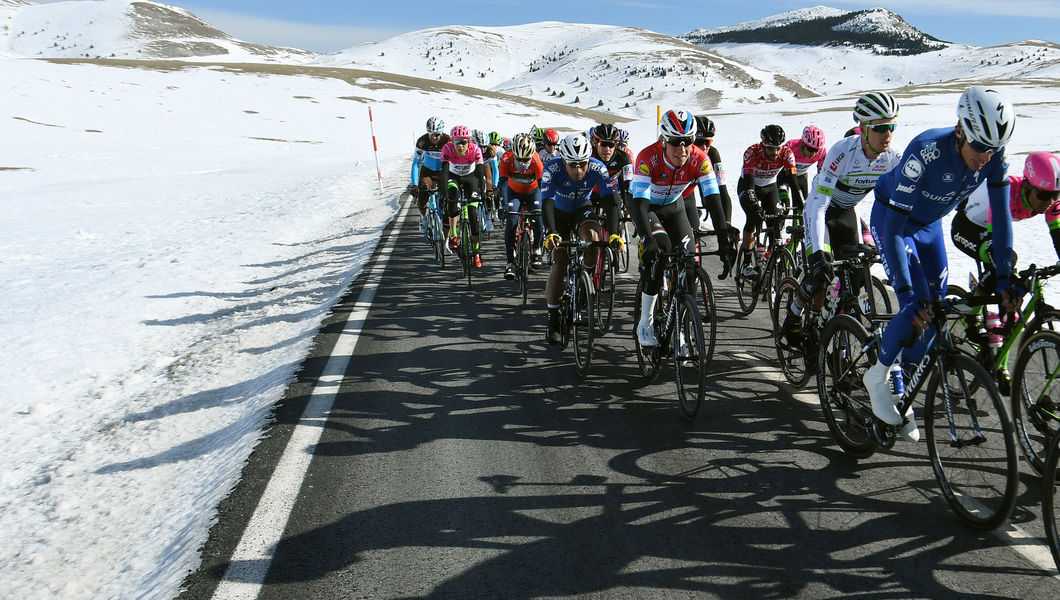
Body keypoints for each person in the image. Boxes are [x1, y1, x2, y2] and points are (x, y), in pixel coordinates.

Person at [863, 85, 1018, 442]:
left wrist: (1004, 276)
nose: (984, 157)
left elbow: (1003, 218)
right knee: (914, 302)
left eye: (991, 149)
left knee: (937, 308)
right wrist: (903, 291)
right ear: (961, 130)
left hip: (931, 225)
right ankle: (880, 374)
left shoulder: (994, 156)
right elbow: (894, 227)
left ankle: (908, 389)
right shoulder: (926, 151)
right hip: (893, 220)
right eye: (979, 147)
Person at [783, 92, 903, 342]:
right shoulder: (842, 153)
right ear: (864, 128)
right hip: (821, 211)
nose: (887, 134)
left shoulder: (892, 159)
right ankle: (795, 314)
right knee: (820, 272)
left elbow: (896, 206)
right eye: (880, 128)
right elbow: (818, 206)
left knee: (856, 277)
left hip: (847, 212)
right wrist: (818, 254)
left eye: (891, 126)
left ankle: (839, 329)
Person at [630, 109, 725, 346]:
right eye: (675, 142)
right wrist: (647, 238)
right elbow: (639, 204)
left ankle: (682, 327)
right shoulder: (647, 157)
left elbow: (714, 198)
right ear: (663, 139)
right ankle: (646, 322)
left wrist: (724, 236)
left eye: (688, 142)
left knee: (691, 263)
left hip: (675, 207)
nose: (682, 149)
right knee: (660, 251)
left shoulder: (700, 158)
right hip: (647, 208)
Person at [541, 133, 622, 346]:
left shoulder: (597, 168)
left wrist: (613, 233)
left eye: (582, 164)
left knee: (593, 239)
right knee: (560, 260)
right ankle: (553, 317)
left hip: (582, 210)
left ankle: (583, 280)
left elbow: (610, 201)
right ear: (563, 160)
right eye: (573, 165)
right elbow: (546, 202)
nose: (578, 170)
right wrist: (550, 231)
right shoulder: (552, 168)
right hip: (558, 214)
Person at [736, 124, 805, 277]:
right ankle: (747, 263)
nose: (775, 153)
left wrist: (801, 202)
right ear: (763, 144)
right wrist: (755, 206)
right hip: (749, 186)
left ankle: (770, 257)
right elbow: (749, 185)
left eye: (778, 148)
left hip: (769, 188)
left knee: (777, 221)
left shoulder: (787, 153)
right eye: (770, 148)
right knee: (753, 217)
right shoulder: (751, 153)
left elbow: (794, 182)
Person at [439, 125, 488, 268]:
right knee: (452, 196)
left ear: (469, 142)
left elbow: (480, 174)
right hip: (453, 177)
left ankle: (477, 253)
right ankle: (454, 235)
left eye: (463, 142)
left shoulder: (475, 150)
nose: (460, 146)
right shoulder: (447, 149)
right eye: (457, 142)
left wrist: (483, 193)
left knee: (473, 216)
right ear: (452, 142)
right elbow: (445, 172)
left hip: (470, 178)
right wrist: (444, 193)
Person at [499, 134, 545, 280]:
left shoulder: (536, 160)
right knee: (511, 221)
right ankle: (510, 262)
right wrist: (504, 204)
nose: (523, 163)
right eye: (519, 159)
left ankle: (537, 248)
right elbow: (503, 184)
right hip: (514, 193)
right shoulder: (506, 158)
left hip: (533, 192)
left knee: (538, 217)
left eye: (526, 159)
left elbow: (544, 185)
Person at [409, 117, 451, 230]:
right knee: (422, 194)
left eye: (437, 134)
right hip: (427, 171)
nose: (434, 137)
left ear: (441, 132)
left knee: (446, 198)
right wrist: (414, 184)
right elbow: (415, 164)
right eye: (431, 134)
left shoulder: (448, 141)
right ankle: (423, 217)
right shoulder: (422, 141)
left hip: (443, 172)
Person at [786, 125, 827, 199]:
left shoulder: (822, 152)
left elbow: (822, 173)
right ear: (803, 143)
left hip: (802, 175)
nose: (813, 154)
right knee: (784, 204)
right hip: (785, 175)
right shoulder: (791, 147)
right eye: (810, 149)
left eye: (816, 150)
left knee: (803, 206)